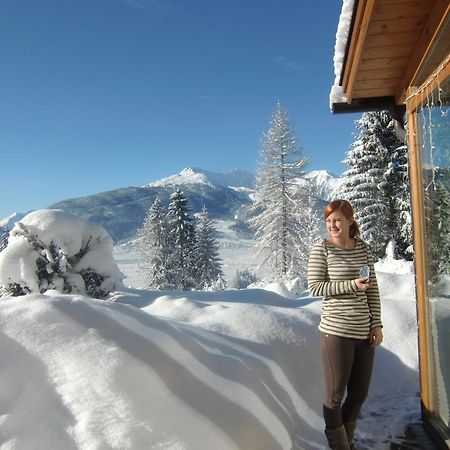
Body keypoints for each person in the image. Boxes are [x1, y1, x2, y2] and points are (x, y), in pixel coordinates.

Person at [307, 199, 383, 450]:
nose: (332, 225)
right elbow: (315, 287)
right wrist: (351, 285)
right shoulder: (322, 249)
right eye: (328, 221)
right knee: (335, 396)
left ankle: (348, 441)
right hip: (336, 333)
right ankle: (340, 447)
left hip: (363, 332)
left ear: (350, 220)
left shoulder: (362, 248)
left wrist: (377, 324)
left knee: (359, 393)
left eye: (337, 220)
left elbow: (372, 290)